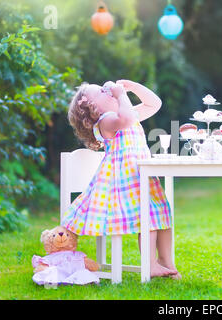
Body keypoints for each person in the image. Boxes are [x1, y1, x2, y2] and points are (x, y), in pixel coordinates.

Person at [62, 79, 180, 279]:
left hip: (141, 177)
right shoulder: (105, 121)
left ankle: (166, 262)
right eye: (100, 90)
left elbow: (154, 104)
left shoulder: (124, 113)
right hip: (122, 182)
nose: (106, 89)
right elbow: (125, 120)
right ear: (93, 108)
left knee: (163, 215)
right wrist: (120, 95)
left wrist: (132, 88)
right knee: (149, 218)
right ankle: (149, 264)